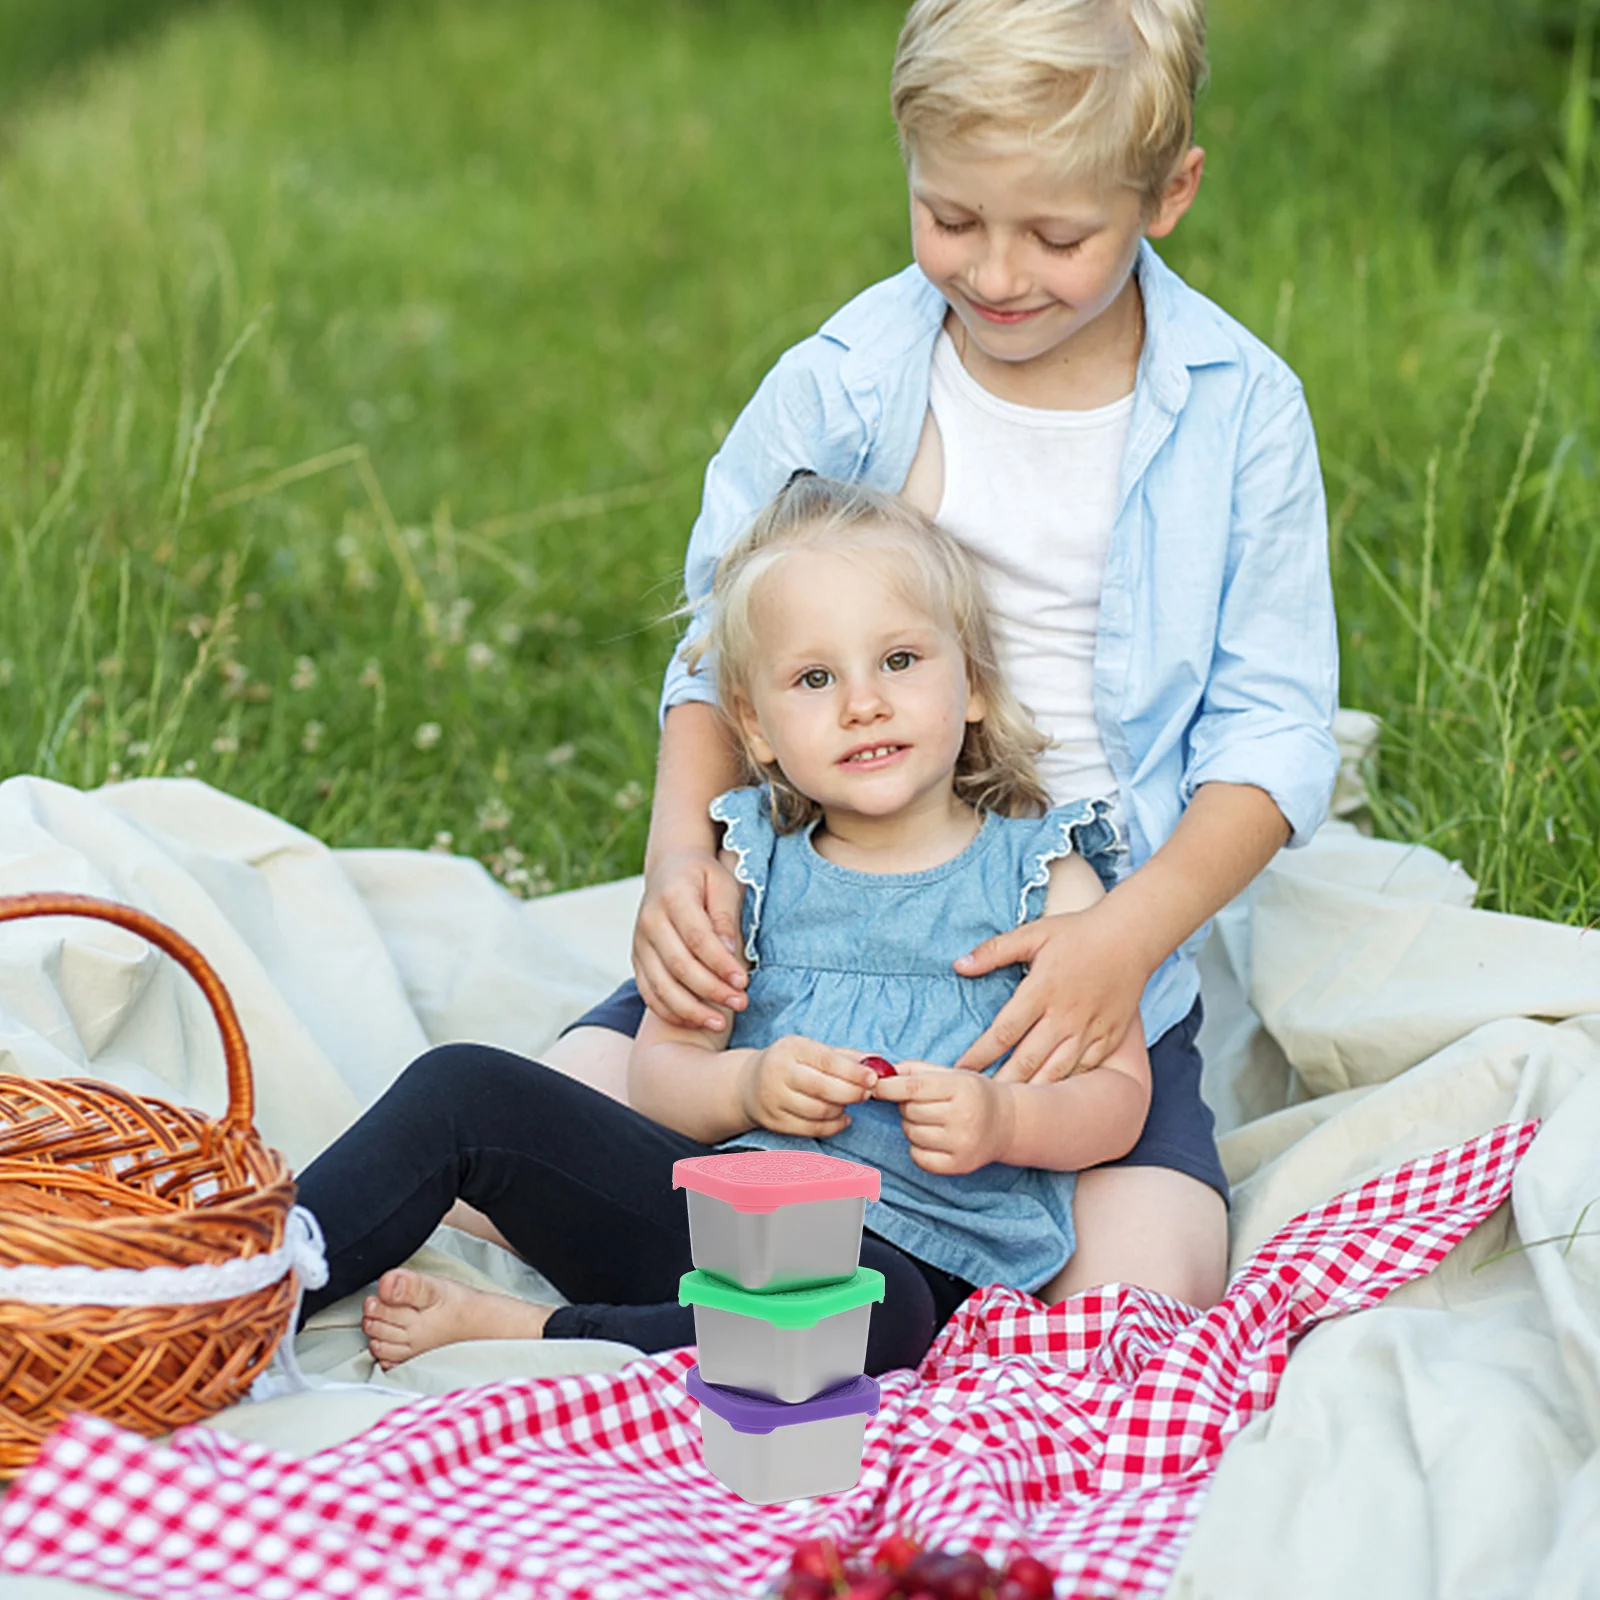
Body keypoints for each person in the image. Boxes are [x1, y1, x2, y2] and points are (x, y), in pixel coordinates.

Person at [539, 0, 1340, 1313]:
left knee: (1143, 1297)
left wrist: (1122, 946)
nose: (998, 272)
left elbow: (1274, 738)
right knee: (556, 1127)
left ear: (1170, 192)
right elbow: (714, 657)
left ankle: (885, 1286)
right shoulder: (845, 384)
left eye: (1058, 234)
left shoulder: (1242, 411)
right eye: (952, 219)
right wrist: (686, 869)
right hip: (823, 907)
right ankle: (661, 1290)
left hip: (1069, 936)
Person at [295, 475, 1150, 1373]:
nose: (864, 702)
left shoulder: (1044, 879)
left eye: (900, 661)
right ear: (758, 725)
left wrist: (1003, 1119)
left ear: (972, 683)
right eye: (815, 678)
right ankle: (243, 1279)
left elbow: (1120, 1096)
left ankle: (537, 1332)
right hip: (718, 1223)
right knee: (461, 1087)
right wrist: (746, 1089)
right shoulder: (748, 872)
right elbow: (659, 1076)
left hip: (904, 1270)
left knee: (875, 1314)